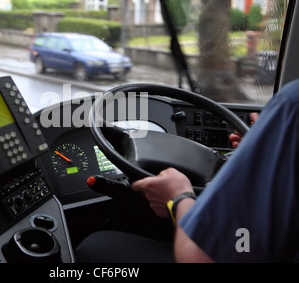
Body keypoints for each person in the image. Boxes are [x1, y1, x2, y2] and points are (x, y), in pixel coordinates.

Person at [75, 79, 299, 263]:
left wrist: (178, 198)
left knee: (93, 246)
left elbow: (198, 258)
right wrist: (261, 153)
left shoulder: (292, 102)